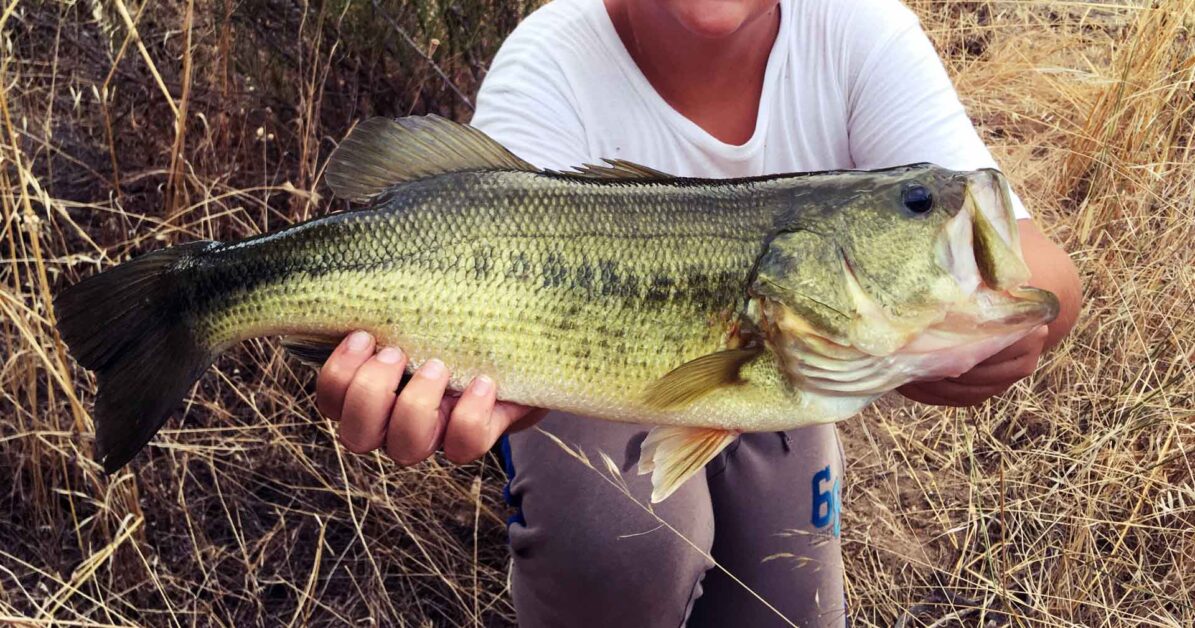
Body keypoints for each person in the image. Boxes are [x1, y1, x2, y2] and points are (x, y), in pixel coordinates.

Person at [314, 0, 1082, 625]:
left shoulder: (859, 30)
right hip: (572, 384)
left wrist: (998, 333)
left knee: (789, 605)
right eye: (917, 203)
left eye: (914, 204)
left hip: (773, 365)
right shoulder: (548, 60)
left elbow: (1041, 271)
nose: (930, 210)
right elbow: (485, 287)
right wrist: (470, 401)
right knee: (627, 551)